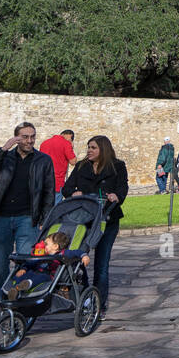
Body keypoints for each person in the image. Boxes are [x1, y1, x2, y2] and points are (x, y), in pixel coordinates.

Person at [0, 122, 55, 302]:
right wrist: (3, 149)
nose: (29, 141)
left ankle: (20, 300)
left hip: (27, 218)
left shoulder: (43, 160)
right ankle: (2, 298)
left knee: (26, 263)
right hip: (2, 217)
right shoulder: (6, 157)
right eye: (25, 137)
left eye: (32, 136)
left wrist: (45, 218)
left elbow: (49, 191)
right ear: (16, 138)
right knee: (0, 266)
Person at [62, 134, 128, 313]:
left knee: (102, 263)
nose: (89, 151)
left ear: (103, 150)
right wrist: (74, 193)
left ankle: (99, 303)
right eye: (88, 147)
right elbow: (67, 188)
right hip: (84, 221)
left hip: (107, 219)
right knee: (78, 259)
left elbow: (123, 188)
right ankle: (83, 296)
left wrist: (117, 197)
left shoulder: (118, 166)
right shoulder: (82, 166)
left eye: (93, 148)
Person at [39, 129, 77, 205]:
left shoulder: (44, 143)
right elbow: (73, 161)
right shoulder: (66, 144)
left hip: (42, 180)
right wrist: (71, 146)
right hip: (57, 182)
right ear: (70, 136)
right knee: (54, 210)